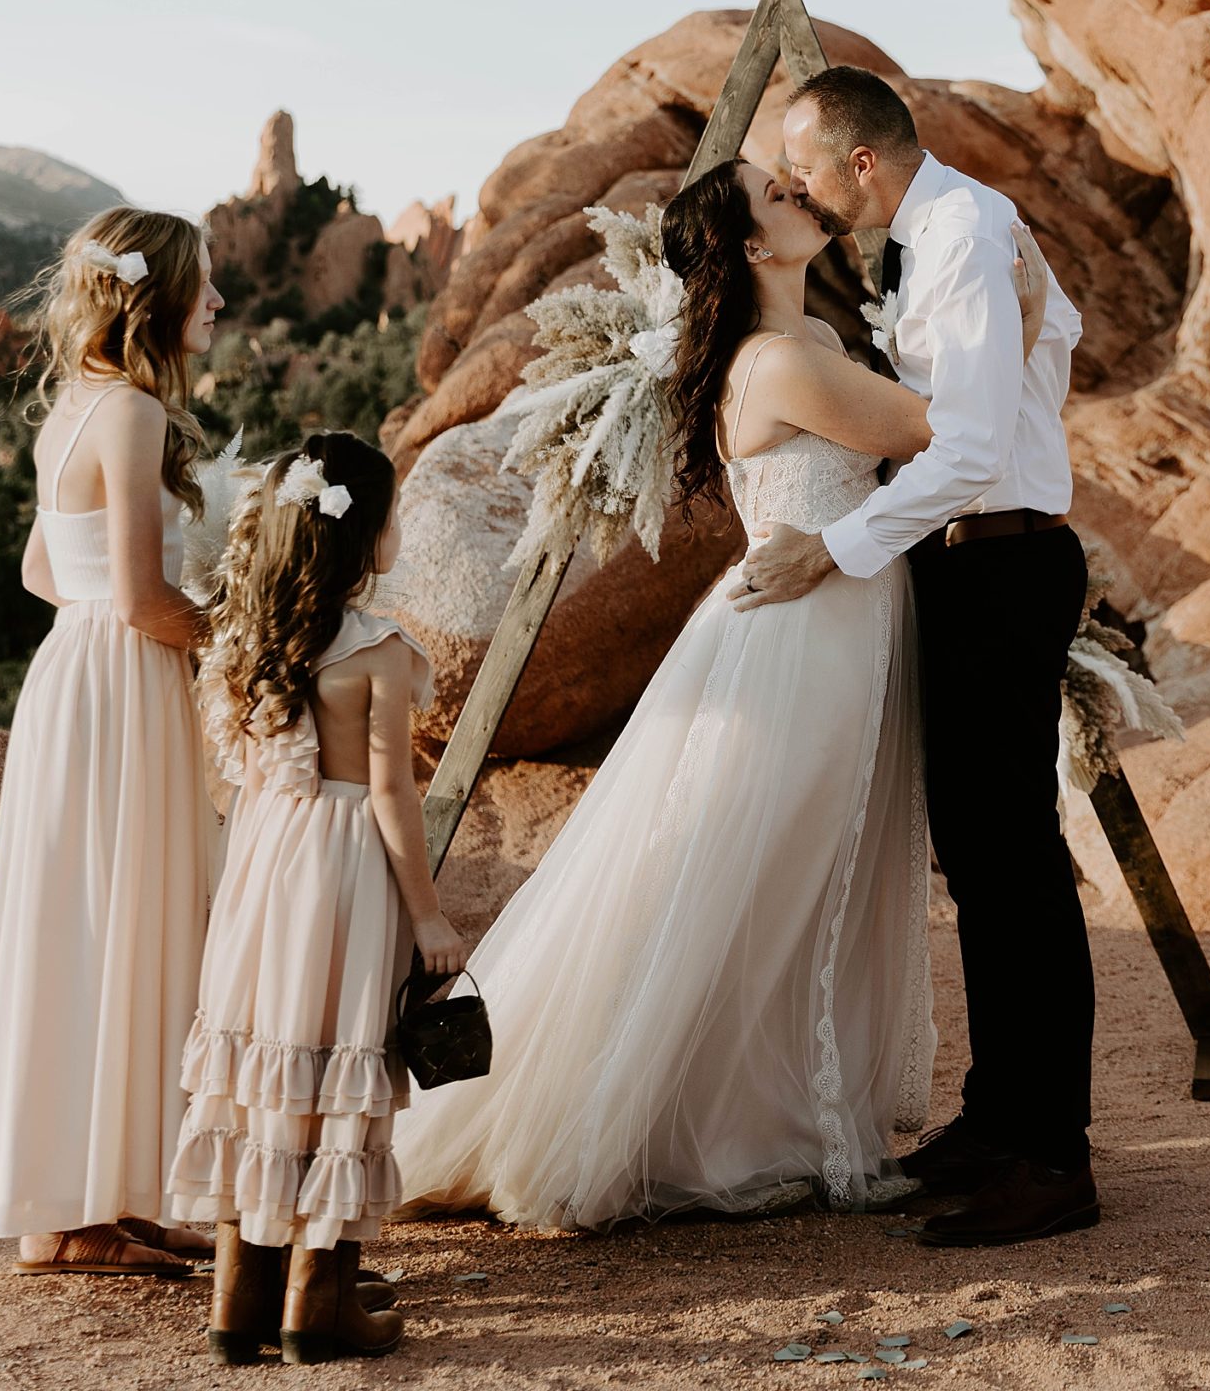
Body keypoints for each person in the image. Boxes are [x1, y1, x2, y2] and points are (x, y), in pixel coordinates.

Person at [393, 156, 1047, 1230]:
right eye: (777, 195)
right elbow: (938, 432)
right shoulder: (780, 361)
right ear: (750, 246)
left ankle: (763, 1113)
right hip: (802, 642)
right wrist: (1018, 330)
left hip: (841, 622)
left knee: (795, 877)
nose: (799, 192)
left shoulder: (816, 339)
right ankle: (668, 1122)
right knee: (747, 873)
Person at [751, 67, 1092, 1250]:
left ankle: (1052, 1158)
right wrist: (1031, 355)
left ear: (862, 163)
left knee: (1017, 863)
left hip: (1002, 560)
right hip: (965, 563)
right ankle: (999, 1120)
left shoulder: (963, 230)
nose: (794, 184)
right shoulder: (939, 232)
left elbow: (972, 446)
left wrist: (836, 546)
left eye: (803, 164)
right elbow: (1056, 333)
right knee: (980, 860)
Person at [0, 209, 224, 1277]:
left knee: (84, 921)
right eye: (204, 283)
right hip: (124, 677)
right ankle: (87, 1211)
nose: (217, 302)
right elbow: (148, 596)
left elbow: (41, 571)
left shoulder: (73, 405)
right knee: (129, 915)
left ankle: (93, 1201)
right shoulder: (137, 412)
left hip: (74, 668)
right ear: (158, 299)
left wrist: (108, 621)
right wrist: (246, 640)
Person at [168, 430, 467, 1365]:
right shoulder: (380, 652)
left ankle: (240, 1299)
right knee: (339, 1054)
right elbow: (390, 794)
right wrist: (426, 914)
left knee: (264, 1062)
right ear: (366, 535)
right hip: (344, 872)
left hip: (265, 863)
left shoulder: (249, 639)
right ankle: (317, 1301)